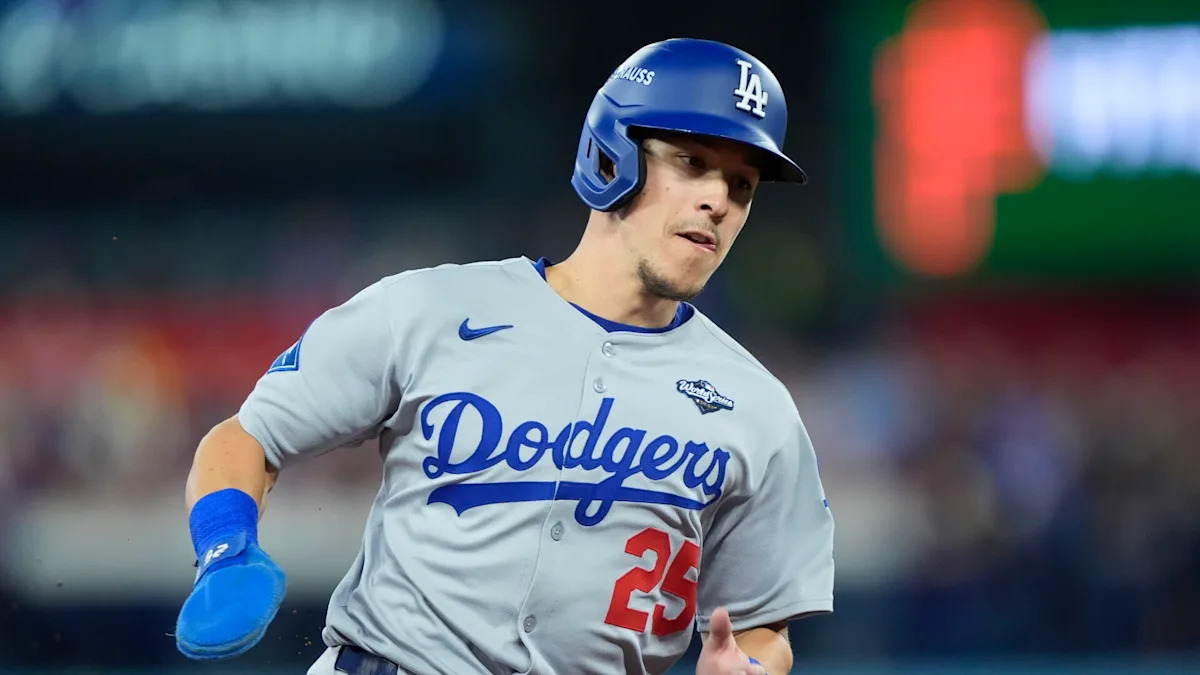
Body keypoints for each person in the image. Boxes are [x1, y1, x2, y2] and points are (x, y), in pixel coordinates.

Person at [174, 38, 835, 675]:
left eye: (742, 185)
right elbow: (249, 437)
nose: (718, 201)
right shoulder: (433, 308)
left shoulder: (758, 408)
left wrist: (751, 664)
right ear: (613, 157)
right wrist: (228, 548)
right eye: (691, 162)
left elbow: (763, 622)